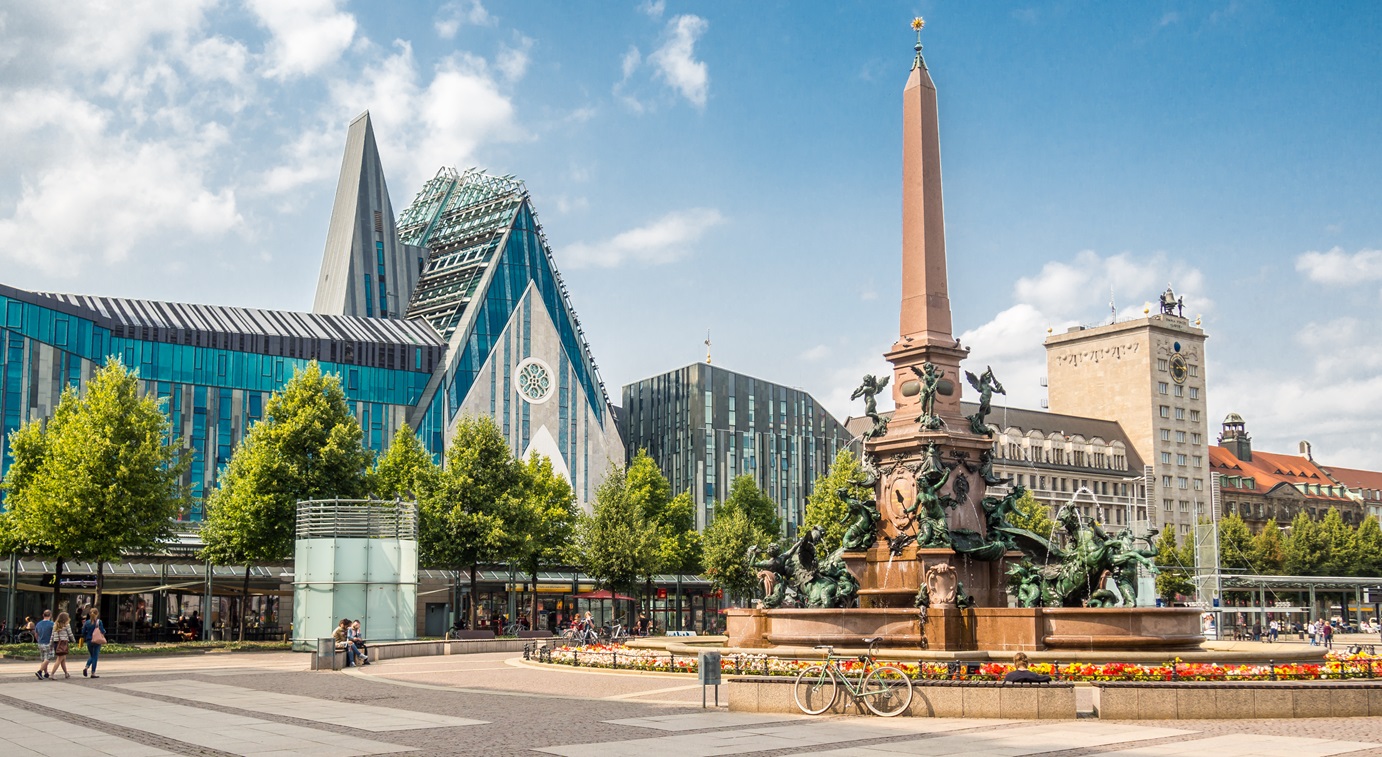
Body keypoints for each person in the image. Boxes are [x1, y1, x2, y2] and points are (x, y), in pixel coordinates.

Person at [82, 608, 106, 678]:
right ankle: (93, 672)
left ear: (90, 614)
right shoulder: (99, 622)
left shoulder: (87, 622)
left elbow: (83, 632)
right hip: (97, 640)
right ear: (97, 613)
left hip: (89, 640)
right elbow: (102, 631)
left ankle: (86, 667)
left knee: (92, 655)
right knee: (95, 656)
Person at [51, 612, 75, 679]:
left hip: (56, 643)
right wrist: (74, 641)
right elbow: (70, 634)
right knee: (59, 659)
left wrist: (51, 644)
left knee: (63, 659)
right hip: (63, 643)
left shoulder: (55, 624)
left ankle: (66, 673)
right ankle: (52, 674)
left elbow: (52, 635)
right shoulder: (66, 625)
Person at [34, 610, 55, 680]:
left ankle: (46, 673)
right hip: (49, 643)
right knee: (48, 658)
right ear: (50, 615)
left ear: (43, 615)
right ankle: (39, 671)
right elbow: (54, 634)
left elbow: (36, 634)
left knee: (43, 659)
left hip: (40, 643)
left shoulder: (38, 624)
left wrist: (38, 640)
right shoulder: (52, 624)